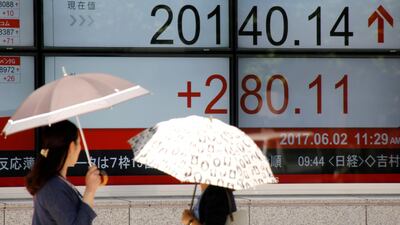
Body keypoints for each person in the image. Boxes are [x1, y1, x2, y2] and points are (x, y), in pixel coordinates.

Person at [26, 120, 101, 225]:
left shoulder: (55, 183)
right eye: (78, 143)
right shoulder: (52, 187)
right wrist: (90, 191)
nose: (80, 148)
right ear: (71, 147)